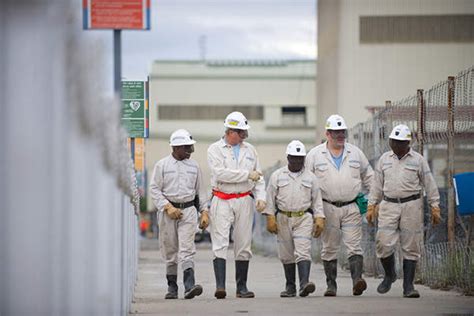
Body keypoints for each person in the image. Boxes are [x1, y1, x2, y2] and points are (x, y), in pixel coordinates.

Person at [366, 124, 441, 298]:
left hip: (412, 206)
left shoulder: (418, 160)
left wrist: (435, 205)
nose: (397, 145)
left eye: (401, 142)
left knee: (411, 245)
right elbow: (376, 185)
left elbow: (429, 183)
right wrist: (371, 205)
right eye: (394, 142)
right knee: (383, 243)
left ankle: (408, 286)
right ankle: (390, 275)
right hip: (388, 205)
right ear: (390, 142)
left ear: (408, 143)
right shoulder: (384, 160)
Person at [305, 114, 373, 296]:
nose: (340, 136)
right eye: (336, 133)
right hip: (327, 207)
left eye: (342, 132)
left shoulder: (355, 153)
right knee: (329, 247)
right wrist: (312, 211)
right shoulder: (315, 155)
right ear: (327, 134)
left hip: (351, 206)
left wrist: (372, 201)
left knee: (354, 245)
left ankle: (357, 280)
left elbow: (370, 177)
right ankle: (331, 285)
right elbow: (306, 182)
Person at [207, 111, 266, 299]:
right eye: (240, 133)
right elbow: (221, 173)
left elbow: (260, 177)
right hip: (222, 198)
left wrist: (261, 197)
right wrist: (247, 175)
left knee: (243, 243)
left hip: (244, 198)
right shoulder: (214, 149)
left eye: (244, 133)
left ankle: (242, 287)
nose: (244, 136)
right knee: (220, 241)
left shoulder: (250, 150)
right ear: (230, 131)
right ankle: (220, 286)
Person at [149, 129, 209, 300]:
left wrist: (204, 212)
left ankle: (189, 286)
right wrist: (167, 207)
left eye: (191, 147)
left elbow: (201, 192)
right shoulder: (162, 165)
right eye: (186, 148)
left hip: (188, 211)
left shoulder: (194, 166)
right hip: (168, 212)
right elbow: (154, 189)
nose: (190, 151)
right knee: (170, 250)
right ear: (175, 148)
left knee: (187, 249)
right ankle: (172, 287)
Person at [264, 140, 325, 298]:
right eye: (294, 158)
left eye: (300, 158)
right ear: (288, 157)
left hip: (303, 217)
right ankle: (290, 287)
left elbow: (317, 200)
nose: (297, 161)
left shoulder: (311, 178)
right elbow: (270, 198)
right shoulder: (277, 176)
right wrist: (270, 217)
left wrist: (319, 218)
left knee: (303, 251)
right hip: (283, 217)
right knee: (286, 254)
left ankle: (304, 284)